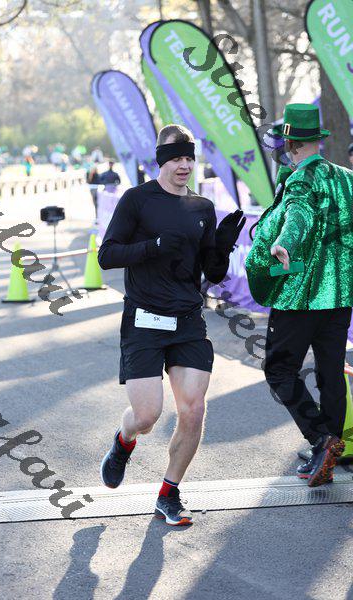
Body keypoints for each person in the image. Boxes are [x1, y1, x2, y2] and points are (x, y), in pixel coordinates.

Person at [98, 124, 245, 526]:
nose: (184, 165)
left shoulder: (201, 208)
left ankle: (169, 493)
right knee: (146, 416)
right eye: (176, 158)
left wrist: (222, 248)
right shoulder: (137, 200)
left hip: (187, 321)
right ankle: (124, 441)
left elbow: (212, 274)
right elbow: (107, 256)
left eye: (188, 158)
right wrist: (154, 246)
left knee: (193, 410)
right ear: (161, 159)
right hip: (144, 320)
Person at [245, 104, 353, 488]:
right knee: (330, 372)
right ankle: (329, 448)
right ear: (317, 140)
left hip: (302, 296)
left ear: (289, 143)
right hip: (340, 296)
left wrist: (284, 243)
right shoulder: (347, 179)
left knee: (278, 369)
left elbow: (299, 214)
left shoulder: (300, 180)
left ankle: (322, 440)